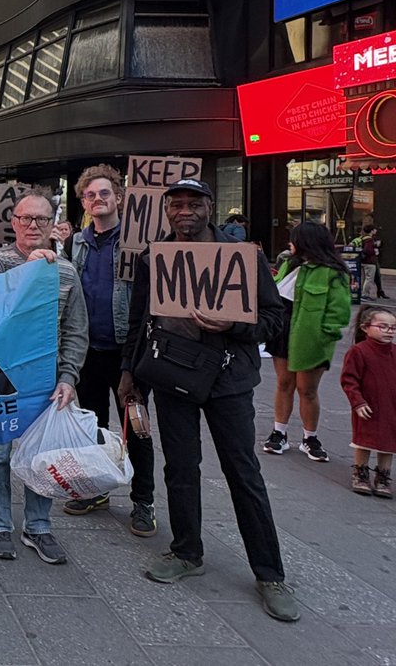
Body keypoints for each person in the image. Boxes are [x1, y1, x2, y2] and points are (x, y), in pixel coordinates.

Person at [123, 178, 297, 623]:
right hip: (172, 376)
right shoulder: (153, 258)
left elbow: (275, 319)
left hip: (228, 381)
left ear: (210, 207)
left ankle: (269, 573)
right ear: (167, 212)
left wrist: (233, 326)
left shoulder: (245, 258)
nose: (185, 211)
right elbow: (140, 316)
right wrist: (131, 373)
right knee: (180, 468)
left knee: (244, 474)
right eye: (176, 204)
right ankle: (187, 552)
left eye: (193, 203)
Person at [0, 189, 85, 564]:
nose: (33, 225)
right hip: (0, 378)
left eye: (41, 219)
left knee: (44, 453)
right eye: (26, 218)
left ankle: (38, 526)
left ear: (53, 224)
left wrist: (68, 376)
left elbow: (75, 329)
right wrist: (31, 273)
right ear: (13, 222)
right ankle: (1, 525)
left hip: (47, 378)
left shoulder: (68, 271)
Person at [62, 165, 156, 537]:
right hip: (88, 351)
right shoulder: (76, 243)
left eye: (104, 193)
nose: (97, 199)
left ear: (119, 197)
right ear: (82, 202)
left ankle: (143, 501)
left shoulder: (138, 244)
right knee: (93, 427)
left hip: (127, 352)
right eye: (90, 195)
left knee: (137, 429)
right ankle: (96, 489)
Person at [262, 222, 352, 462]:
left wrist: (324, 337)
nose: (290, 243)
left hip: (311, 337)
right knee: (284, 383)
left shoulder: (333, 272)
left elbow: (339, 312)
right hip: (282, 330)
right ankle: (278, 433)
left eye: (294, 239)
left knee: (307, 389)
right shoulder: (290, 264)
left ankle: (309, 437)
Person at [341, 306, 396, 497]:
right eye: (383, 326)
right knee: (363, 440)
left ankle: (383, 476)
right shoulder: (359, 351)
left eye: (393, 328)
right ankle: (360, 472)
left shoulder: (394, 352)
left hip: (391, 406)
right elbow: (349, 380)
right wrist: (357, 401)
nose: (389, 331)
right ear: (366, 327)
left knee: (389, 442)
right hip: (368, 405)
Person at [361, 228, 380, 300]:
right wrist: (374, 251)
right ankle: (365, 294)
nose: (376, 231)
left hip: (363, 261)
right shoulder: (370, 240)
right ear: (371, 231)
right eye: (374, 229)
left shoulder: (362, 238)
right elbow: (367, 250)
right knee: (369, 279)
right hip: (370, 262)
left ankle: (361, 293)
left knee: (363, 278)